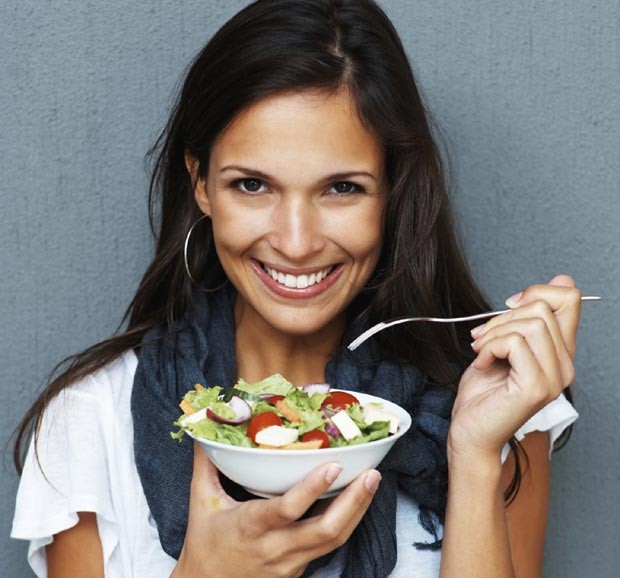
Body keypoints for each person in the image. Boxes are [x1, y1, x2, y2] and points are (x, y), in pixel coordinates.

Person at [11, 1, 582, 577]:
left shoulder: (494, 402)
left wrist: (476, 454)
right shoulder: (92, 418)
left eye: (342, 188)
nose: (296, 242)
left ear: (393, 192)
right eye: (252, 184)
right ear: (201, 185)